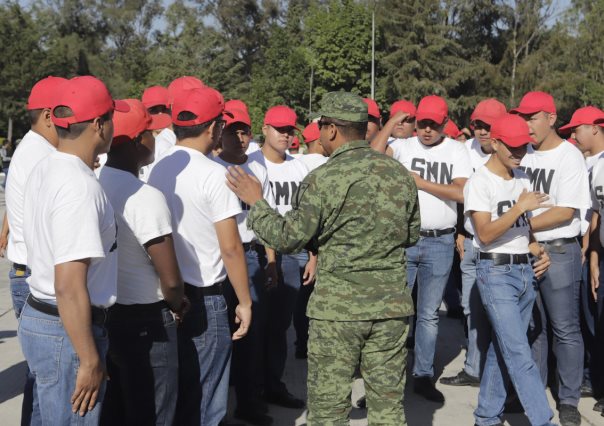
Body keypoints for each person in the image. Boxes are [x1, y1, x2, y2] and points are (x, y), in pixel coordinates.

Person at [225, 91, 419, 425]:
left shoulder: (323, 178)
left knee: (329, 411)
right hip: (390, 309)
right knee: (388, 410)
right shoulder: (397, 174)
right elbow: (411, 233)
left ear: (330, 130)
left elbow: (289, 237)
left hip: (338, 313)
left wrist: (257, 202)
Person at [20, 75, 127, 424]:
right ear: (99, 124)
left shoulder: (47, 166)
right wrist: (90, 358)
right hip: (65, 331)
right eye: (112, 117)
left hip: (47, 320)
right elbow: (68, 284)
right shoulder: (79, 187)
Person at [148, 86, 252, 426]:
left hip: (168, 296)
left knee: (178, 395)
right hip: (206, 301)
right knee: (207, 399)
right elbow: (231, 247)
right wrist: (245, 302)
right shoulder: (213, 174)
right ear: (214, 128)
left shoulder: (158, 169)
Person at [374, 94, 472, 402]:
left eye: (433, 124)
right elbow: (372, 155)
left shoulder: (456, 150)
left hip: (440, 240)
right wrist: (391, 122)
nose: (427, 130)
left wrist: (421, 183)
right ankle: (387, 379)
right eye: (422, 123)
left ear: (445, 123)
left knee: (428, 314)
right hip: (405, 239)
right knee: (395, 313)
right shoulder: (403, 145)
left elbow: (461, 192)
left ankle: (423, 375)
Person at [98, 99, 188, 425]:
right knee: (154, 412)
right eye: (149, 132)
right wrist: (177, 302)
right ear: (138, 142)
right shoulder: (144, 196)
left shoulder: (96, 184)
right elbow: (172, 278)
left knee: (117, 410)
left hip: (108, 315)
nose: (154, 138)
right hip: (146, 322)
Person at [465, 113, 555, 426]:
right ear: (495, 142)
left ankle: (486, 418)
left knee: (503, 350)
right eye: (513, 147)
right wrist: (520, 207)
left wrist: (537, 247)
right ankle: (543, 420)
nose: (519, 153)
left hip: (524, 273)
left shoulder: (523, 178)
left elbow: (523, 228)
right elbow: (485, 235)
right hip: (495, 273)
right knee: (519, 352)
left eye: (524, 147)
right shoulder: (480, 181)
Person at [512, 91, 590, 426]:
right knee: (535, 329)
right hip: (527, 249)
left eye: (532, 117)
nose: (526, 124)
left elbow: (565, 210)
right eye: (523, 117)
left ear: (551, 118)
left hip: (559, 250)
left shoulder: (568, 156)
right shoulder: (521, 155)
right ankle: (533, 394)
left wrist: (519, 225)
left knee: (565, 328)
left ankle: (569, 400)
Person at [4, 75, 66, 425]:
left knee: (42, 378)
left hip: (26, 270)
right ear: (47, 115)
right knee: (49, 381)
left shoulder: (36, 149)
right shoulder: (42, 155)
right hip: (34, 275)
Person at [213, 106, 277, 426]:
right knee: (220, 336)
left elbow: (262, 218)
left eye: (244, 131)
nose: (239, 138)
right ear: (220, 132)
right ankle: (218, 409)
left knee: (250, 336)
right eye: (232, 131)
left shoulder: (258, 168)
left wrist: (271, 259)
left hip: (250, 254)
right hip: (218, 259)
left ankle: (249, 403)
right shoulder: (212, 167)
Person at [247, 105, 314, 406]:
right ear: (265, 128)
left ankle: (274, 384)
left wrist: (313, 254)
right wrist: (270, 260)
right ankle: (252, 388)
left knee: (280, 326)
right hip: (260, 253)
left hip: (294, 252)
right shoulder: (252, 164)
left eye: (290, 130)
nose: (286, 135)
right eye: (280, 129)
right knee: (256, 325)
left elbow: (310, 215)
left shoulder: (300, 167)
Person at [441, 98, 507, 388]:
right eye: (478, 125)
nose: (482, 131)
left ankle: (501, 372)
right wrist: (460, 230)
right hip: (471, 241)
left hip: (503, 244)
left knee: (501, 312)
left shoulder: (514, 152)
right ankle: (474, 368)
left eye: (488, 126)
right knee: (471, 308)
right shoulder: (464, 151)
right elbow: (461, 196)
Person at [558, 106, 604, 399]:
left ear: (597, 127)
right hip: (593, 253)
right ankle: (593, 379)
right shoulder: (587, 163)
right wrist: (594, 254)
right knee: (590, 320)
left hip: (591, 249)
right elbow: (595, 213)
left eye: (578, 128)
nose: (573, 134)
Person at [139, 85, 173, 181]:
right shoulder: (137, 143)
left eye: (164, 109)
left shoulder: (177, 141)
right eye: (154, 110)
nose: (160, 114)